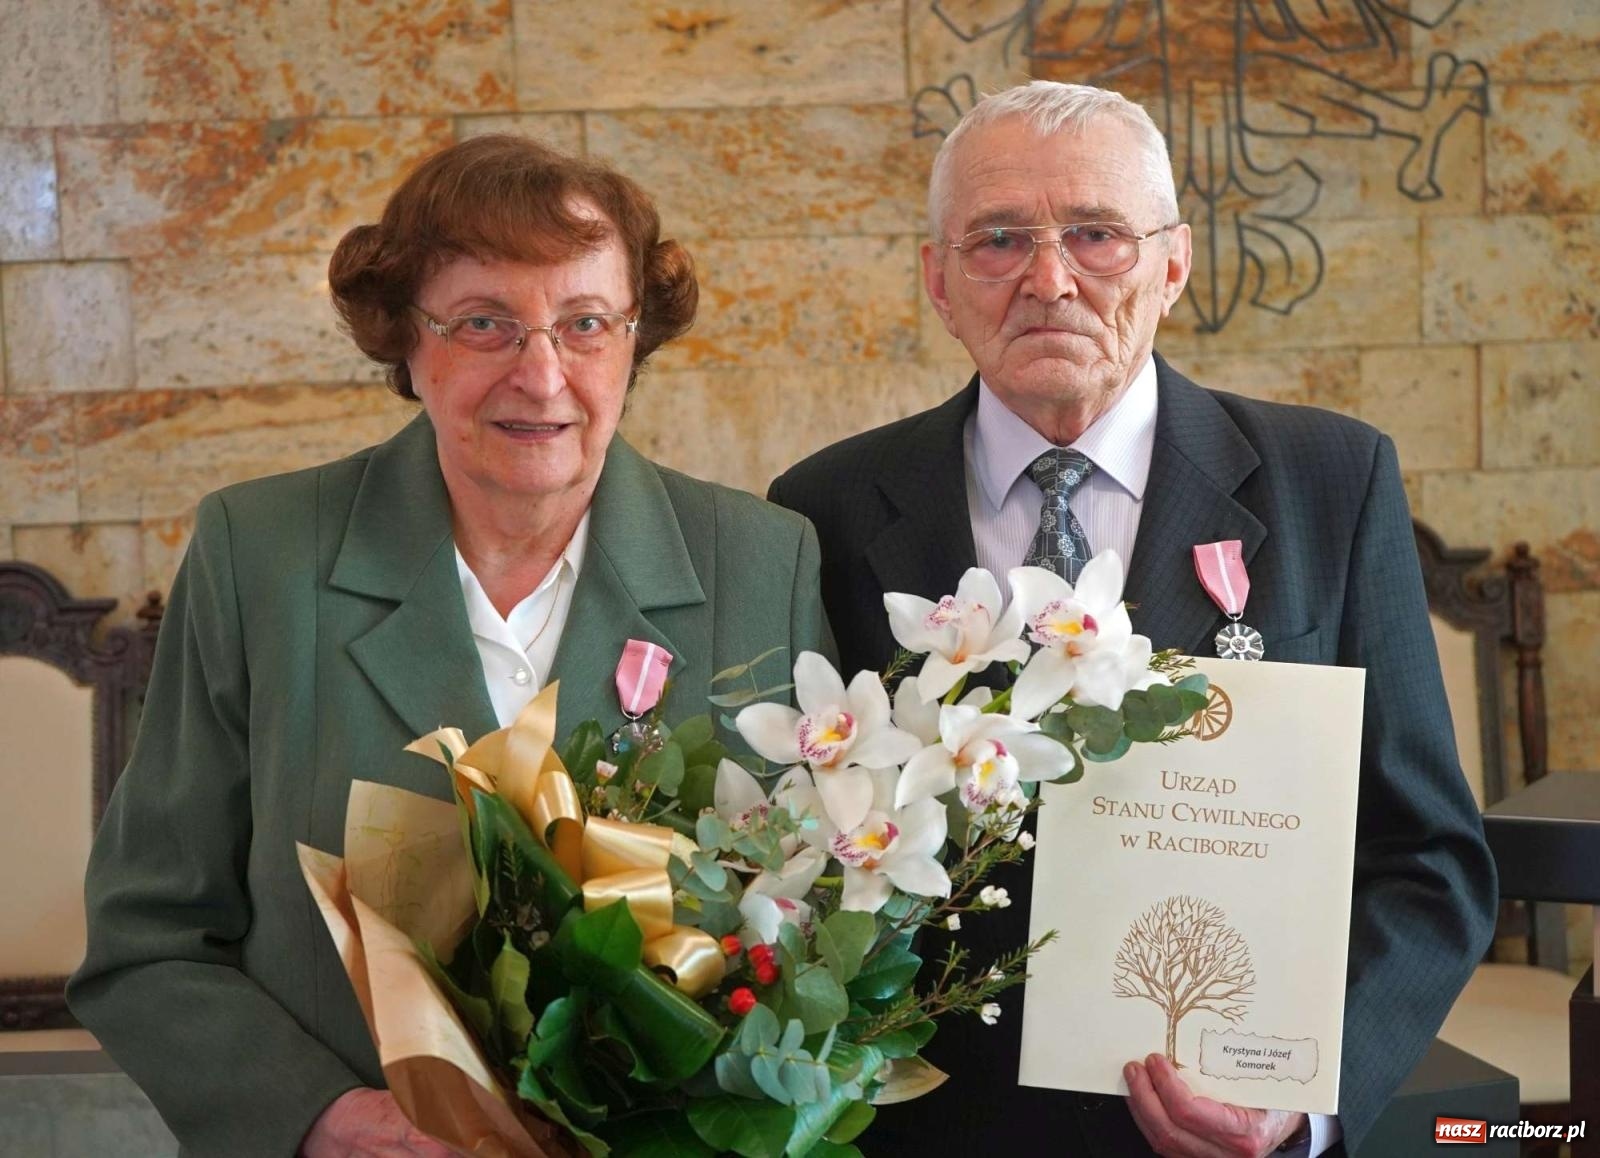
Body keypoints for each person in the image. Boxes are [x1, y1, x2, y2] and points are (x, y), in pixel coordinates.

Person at [769, 82, 1496, 1158]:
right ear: (938, 279)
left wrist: (1302, 1100)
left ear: (1172, 264)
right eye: (998, 239)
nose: (1048, 279)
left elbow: (1428, 859)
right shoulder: (822, 510)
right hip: (928, 1129)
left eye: (1097, 236)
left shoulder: (1329, 483)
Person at [68, 135, 830, 1157]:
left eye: (585, 324)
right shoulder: (262, 557)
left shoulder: (760, 561)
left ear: (632, 340)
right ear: (407, 343)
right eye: (485, 325)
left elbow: (815, 921)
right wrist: (325, 1121)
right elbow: (147, 939)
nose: (543, 372)